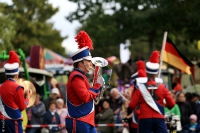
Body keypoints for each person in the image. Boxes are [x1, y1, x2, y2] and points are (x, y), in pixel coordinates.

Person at [65, 31, 104, 133]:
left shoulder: (81, 76)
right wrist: (97, 86)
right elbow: (85, 96)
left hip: (86, 120)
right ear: (80, 63)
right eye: (88, 61)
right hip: (79, 121)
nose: (91, 63)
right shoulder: (76, 76)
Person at [129, 51, 175, 133]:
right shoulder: (163, 87)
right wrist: (164, 105)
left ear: (146, 73)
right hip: (159, 119)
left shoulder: (140, 87)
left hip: (144, 119)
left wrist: (140, 109)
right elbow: (171, 104)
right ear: (156, 74)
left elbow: (132, 105)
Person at [0, 51, 32, 133]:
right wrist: (27, 98)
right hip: (13, 120)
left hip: (1, 121)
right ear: (17, 75)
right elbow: (22, 107)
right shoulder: (18, 87)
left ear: (5, 75)